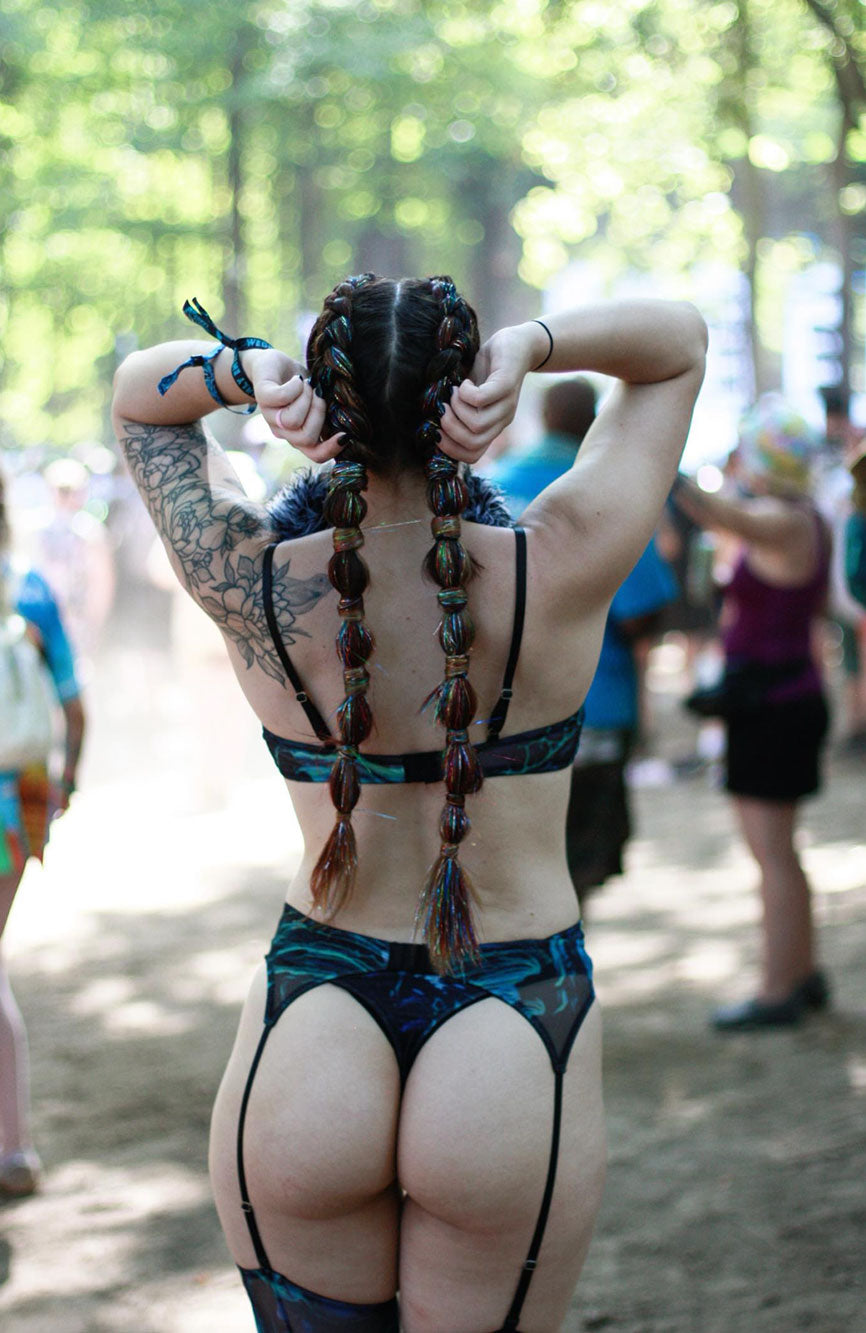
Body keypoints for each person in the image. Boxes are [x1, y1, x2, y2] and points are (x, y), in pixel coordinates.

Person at [111, 279, 706, 1331]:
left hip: (312, 1024)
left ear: (320, 404)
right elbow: (675, 345)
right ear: (469, 394)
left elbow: (138, 398)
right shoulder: (560, 560)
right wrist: (531, 346)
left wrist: (245, 372)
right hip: (511, 1027)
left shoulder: (254, 582)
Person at [673, 395, 831, 1032]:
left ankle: (777, 989)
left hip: (774, 706)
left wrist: (661, 453)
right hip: (777, 701)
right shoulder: (803, 517)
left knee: (772, 855)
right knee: (780, 853)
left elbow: (714, 510)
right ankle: (802, 973)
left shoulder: (784, 520)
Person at [495, 378, 677, 900]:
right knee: (577, 869)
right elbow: (641, 610)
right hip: (593, 709)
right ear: (593, 420)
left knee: (513, 870)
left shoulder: (491, 484)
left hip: (497, 715)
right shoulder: (605, 492)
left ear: (543, 419)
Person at [0, 469, 85, 1197]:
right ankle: (14, 1148)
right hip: (23, 795)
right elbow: (75, 705)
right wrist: (67, 785)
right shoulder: (30, 589)